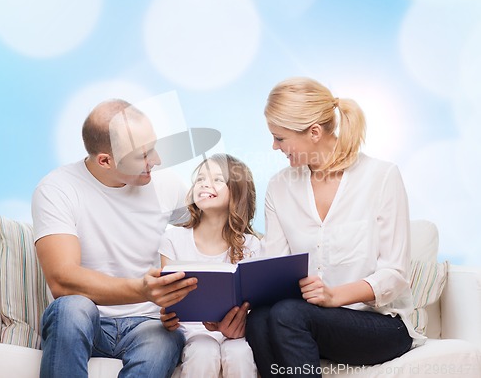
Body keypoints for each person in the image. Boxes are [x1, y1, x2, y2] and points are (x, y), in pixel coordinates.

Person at [245, 77, 425, 378]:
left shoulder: (381, 176)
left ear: (314, 132)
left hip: (381, 324)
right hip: (309, 321)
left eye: (280, 138)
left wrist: (334, 296)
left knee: (287, 314)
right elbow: (274, 268)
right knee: (259, 319)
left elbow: (394, 274)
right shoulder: (279, 187)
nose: (274, 147)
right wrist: (237, 308)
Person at [31, 99, 198, 378]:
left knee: (163, 338)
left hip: (150, 324)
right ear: (105, 160)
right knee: (71, 307)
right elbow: (62, 279)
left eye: (154, 147)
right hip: (89, 322)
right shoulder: (57, 189)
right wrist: (142, 289)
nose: (156, 161)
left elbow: (214, 233)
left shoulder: (167, 185)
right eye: (142, 155)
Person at [159, 153, 260, 378]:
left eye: (217, 179)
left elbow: (256, 305)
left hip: (236, 334)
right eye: (200, 178)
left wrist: (239, 325)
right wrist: (165, 315)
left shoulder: (252, 245)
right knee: (203, 351)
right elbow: (168, 299)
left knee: (240, 354)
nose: (205, 183)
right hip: (192, 333)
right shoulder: (173, 240)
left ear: (236, 191)